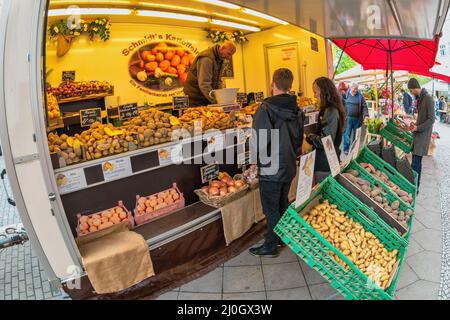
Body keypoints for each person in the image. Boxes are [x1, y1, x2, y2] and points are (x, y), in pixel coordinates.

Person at [249, 68, 305, 257]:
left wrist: (256, 160)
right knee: (282, 202)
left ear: (272, 84)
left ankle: (271, 245)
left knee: (271, 207)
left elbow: (260, 140)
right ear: (290, 86)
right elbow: (298, 140)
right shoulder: (297, 109)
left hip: (271, 166)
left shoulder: (265, 108)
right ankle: (282, 236)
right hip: (288, 164)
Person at [306, 77, 346, 183]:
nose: (314, 96)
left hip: (325, 164)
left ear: (323, 91)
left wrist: (309, 137)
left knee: (326, 197)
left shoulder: (331, 111)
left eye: (315, 92)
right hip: (328, 162)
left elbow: (325, 141)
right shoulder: (330, 110)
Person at [183, 41, 236, 107]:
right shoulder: (207, 58)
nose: (229, 58)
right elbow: (204, 84)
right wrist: (217, 101)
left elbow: (218, 80)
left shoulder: (220, 59)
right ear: (222, 48)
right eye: (229, 54)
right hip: (195, 99)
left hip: (205, 97)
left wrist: (221, 97)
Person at [407, 78, 435, 191]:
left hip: (423, 137)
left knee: (416, 164)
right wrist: (415, 124)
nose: (411, 93)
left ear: (414, 88)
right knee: (415, 163)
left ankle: (415, 188)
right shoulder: (421, 98)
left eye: (411, 91)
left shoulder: (428, 99)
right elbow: (423, 117)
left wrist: (418, 127)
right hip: (418, 135)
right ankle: (414, 186)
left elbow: (431, 119)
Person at [343, 83, 369, 154]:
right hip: (348, 118)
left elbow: (364, 106)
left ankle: (353, 148)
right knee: (347, 134)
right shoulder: (346, 95)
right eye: (354, 88)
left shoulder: (360, 96)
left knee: (356, 135)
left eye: (356, 89)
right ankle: (346, 149)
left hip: (357, 119)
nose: (355, 90)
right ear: (350, 88)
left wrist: (366, 115)